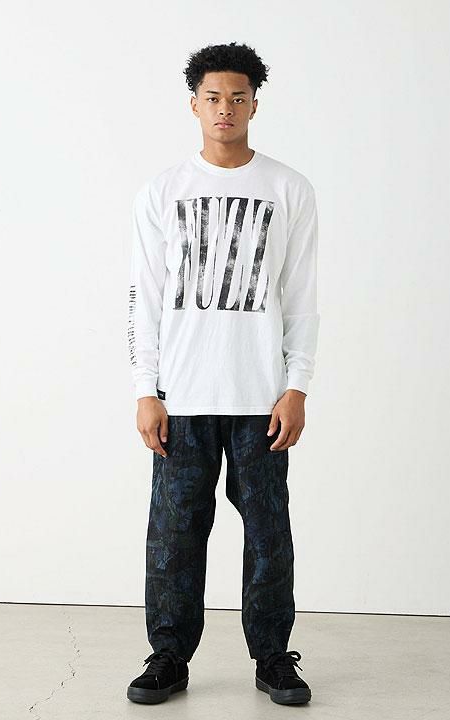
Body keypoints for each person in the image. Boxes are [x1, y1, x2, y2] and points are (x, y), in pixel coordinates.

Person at [125, 41, 319, 706]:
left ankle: (273, 657)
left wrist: (296, 385)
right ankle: (168, 657)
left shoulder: (288, 189)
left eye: (238, 97)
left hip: (261, 396)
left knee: (268, 533)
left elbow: (301, 296)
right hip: (181, 395)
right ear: (194, 105)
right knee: (174, 534)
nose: (225, 109)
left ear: (254, 104)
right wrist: (145, 390)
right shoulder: (162, 192)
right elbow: (144, 297)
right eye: (213, 98)